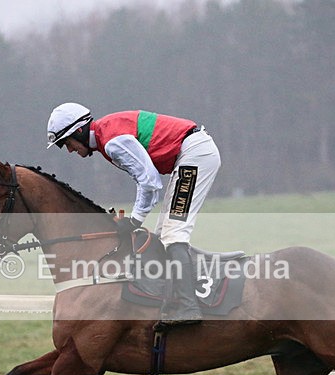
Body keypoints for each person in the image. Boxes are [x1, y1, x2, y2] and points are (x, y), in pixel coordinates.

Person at [47, 102, 221, 326]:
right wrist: (135, 218)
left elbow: (149, 182)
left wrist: (134, 220)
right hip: (191, 153)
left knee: (174, 233)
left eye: (66, 143)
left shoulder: (112, 142)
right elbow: (149, 183)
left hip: (195, 154)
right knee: (163, 234)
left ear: (79, 131)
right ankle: (175, 299)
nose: (70, 150)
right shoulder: (105, 136)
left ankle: (188, 306)